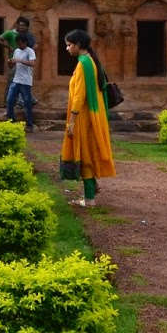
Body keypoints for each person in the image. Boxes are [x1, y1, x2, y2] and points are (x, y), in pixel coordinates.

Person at [59, 28, 115, 207]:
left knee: (85, 154)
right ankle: (91, 191)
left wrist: (72, 121)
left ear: (78, 45)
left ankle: (89, 199)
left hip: (84, 117)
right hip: (92, 116)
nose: (67, 49)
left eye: (69, 45)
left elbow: (79, 95)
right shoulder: (91, 60)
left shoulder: (83, 63)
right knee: (88, 152)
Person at [5, 32, 35, 125]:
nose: (19, 45)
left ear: (25, 42)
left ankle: (29, 123)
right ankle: (11, 120)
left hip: (26, 81)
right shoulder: (16, 51)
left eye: (20, 43)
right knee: (9, 100)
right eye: (17, 43)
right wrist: (10, 62)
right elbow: (11, 66)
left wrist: (20, 60)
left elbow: (32, 63)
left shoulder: (30, 51)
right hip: (16, 80)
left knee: (27, 103)